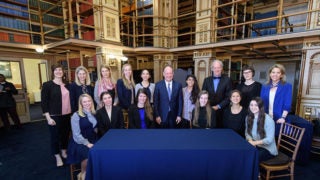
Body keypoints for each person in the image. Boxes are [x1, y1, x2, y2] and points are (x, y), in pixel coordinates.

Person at [41, 64, 71, 167]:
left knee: (65, 135)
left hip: (67, 115)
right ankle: (57, 156)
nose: (59, 72)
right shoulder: (47, 85)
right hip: (54, 116)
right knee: (55, 137)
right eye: (56, 70)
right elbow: (44, 103)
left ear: (63, 72)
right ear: (53, 72)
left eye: (60, 70)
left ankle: (63, 151)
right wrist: (48, 118)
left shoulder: (67, 84)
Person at [67, 94, 97, 180]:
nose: (87, 103)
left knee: (100, 151)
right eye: (84, 102)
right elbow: (76, 134)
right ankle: (83, 173)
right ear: (81, 104)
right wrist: (87, 143)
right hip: (79, 141)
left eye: (89, 101)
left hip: (93, 138)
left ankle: (93, 172)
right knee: (88, 155)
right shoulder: (76, 115)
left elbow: (95, 127)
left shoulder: (94, 113)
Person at [260, 64, 292, 136]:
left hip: (279, 117)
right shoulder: (265, 86)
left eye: (278, 72)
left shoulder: (287, 86)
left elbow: (287, 103)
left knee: (276, 137)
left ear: (282, 75)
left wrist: (283, 117)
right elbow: (261, 102)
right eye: (273, 72)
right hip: (266, 116)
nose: (275, 74)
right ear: (270, 74)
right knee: (265, 135)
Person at [245, 97, 278, 162]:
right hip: (255, 145)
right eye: (251, 105)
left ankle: (253, 172)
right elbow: (247, 132)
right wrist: (250, 141)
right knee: (242, 154)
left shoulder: (268, 120)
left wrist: (254, 143)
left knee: (251, 158)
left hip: (267, 149)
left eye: (256, 105)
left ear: (260, 106)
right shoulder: (248, 117)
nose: (253, 107)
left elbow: (269, 139)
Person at [202, 60, 232, 128]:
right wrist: (208, 106)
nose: (217, 69)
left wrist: (218, 106)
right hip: (208, 110)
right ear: (212, 69)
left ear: (221, 68)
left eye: (218, 67)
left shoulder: (227, 80)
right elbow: (203, 95)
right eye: (214, 68)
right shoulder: (206, 80)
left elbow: (229, 97)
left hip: (222, 110)